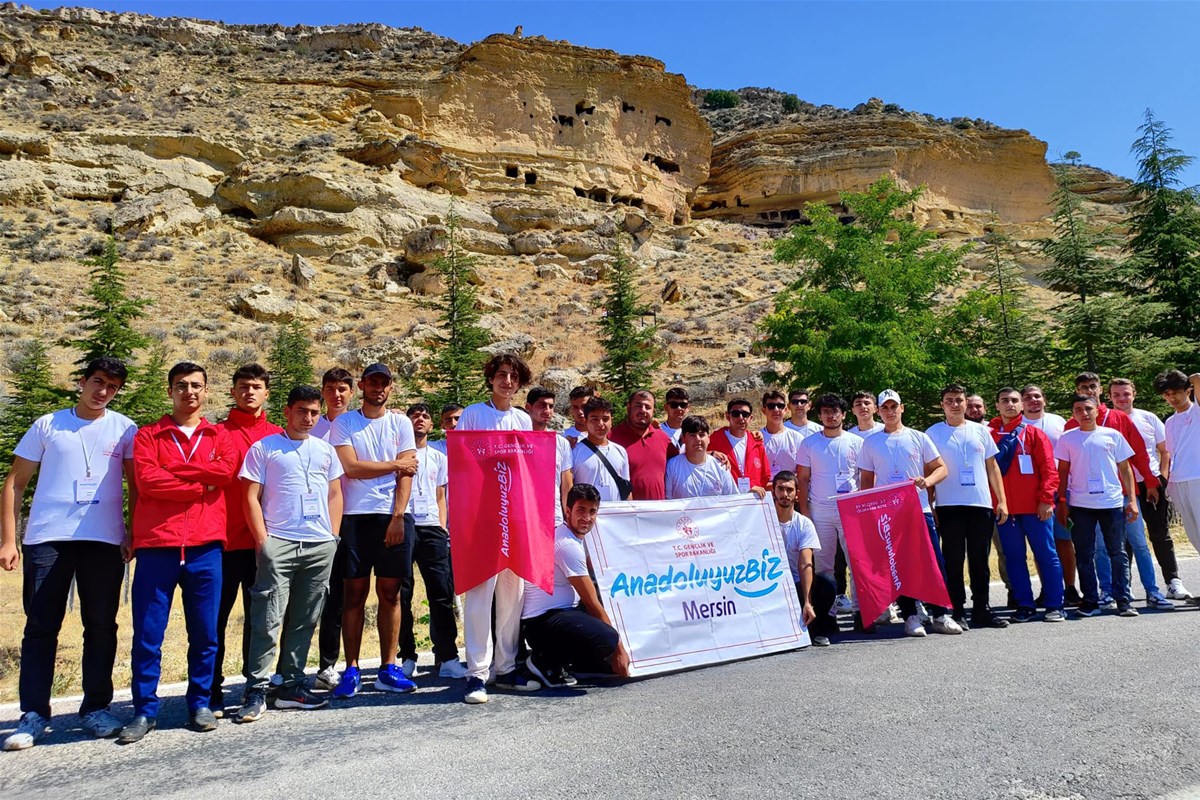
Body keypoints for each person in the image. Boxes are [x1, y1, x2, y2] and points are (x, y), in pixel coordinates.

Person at [0, 357, 137, 751]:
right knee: (41, 627)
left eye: (112, 387)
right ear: (82, 381)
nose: (103, 392)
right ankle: (33, 715)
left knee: (101, 626)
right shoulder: (48, 425)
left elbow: (136, 486)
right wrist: (8, 540)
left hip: (104, 541)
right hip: (48, 539)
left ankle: (96, 708)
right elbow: (15, 483)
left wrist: (133, 532)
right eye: (98, 382)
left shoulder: (125, 428)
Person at [119, 362, 238, 744]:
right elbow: (148, 481)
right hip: (158, 546)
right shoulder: (148, 435)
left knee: (205, 633)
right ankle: (144, 710)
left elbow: (225, 473)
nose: (189, 392)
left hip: (205, 547)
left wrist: (176, 470)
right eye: (181, 385)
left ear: (206, 391)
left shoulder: (220, 435)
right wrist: (199, 485)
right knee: (148, 635)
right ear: (170, 390)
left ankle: (200, 702)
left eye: (196, 386)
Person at [233, 386, 345, 722]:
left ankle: (291, 686)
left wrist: (332, 537)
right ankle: (256, 689)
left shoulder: (326, 450)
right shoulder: (265, 448)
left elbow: (335, 494)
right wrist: (263, 542)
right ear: (287, 411)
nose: (308, 418)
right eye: (302, 411)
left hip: (319, 545)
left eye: (314, 412)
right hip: (279, 543)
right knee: (267, 618)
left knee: (305, 618)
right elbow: (250, 497)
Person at [328, 363, 418, 698]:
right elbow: (351, 468)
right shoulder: (345, 423)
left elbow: (408, 473)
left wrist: (398, 516)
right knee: (353, 594)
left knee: (391, 594)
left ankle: (388, 667)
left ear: (390, 387)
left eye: (384, 383)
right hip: (355, 517)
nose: (378, 388)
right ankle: (351, 669)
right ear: (362, 385)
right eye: (373, 382)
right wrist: (395, 464)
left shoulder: (400, 423)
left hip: (392, 516)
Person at [458, 353, 542, 703]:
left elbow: (529, 466)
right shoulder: (473, 414)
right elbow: (462, 459)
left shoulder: (522, 419)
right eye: (502, 375)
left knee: (513, 593)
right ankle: (477, 673)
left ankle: (505, 667)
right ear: (491, 378)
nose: (507, 381)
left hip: (514, 515)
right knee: (480, 595)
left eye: (514, 377)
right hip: (483, 516)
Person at [858, 390, 962, 637]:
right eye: (885, 407)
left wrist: (927, 481)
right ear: (878, 411)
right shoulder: (871, 442)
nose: (890, 411)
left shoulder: (918, 437)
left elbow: (941, 468)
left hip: (919, 509)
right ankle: (911, 616)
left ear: (902, 408)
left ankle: (941, 614)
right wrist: (869, 513)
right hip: (889, 514)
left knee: (933, 562)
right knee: (900, 565)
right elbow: (866, 480)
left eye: (894, 406)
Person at [211, 364, 282, 717]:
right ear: (233, 391)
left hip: (264, 544)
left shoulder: (278, 435)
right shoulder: (214, 433)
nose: (249, 392)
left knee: (261, 622)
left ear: (266, 392)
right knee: (213, 621)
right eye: (243, 386)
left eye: (256, 386)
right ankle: (210, 690)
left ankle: (255, 688)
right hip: (221, 543)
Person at [521, 484, 630, 687]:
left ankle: (582, 664)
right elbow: (592, 604)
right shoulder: (567, 545)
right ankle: (544, 661)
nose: (587, 518)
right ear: (568, 511)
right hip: (542, 624)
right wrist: (619, 648)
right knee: (607, 637)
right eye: (581, 510)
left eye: (592, 511)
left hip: (561, 614)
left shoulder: (572, 536)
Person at [1066, 372, 1156, 610]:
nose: (1088, 391)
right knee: (1098, 549)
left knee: (1135, 543)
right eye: (1083, 387)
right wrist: (1064, 501)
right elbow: (1065, 469)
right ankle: (1104, 592)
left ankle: (1149, 591)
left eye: (1092, 386)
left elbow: (1136, 455)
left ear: (1099, 390)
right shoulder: (1070, 427)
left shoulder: (1118, 418)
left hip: (1120, 495)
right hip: (1087, 500)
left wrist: (1148, 483)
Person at [926, 384, 1009, 630]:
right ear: (942, 405)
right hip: (948, 505)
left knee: (980, 559)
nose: (955, 405)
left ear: (965, 403)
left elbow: (992, 467)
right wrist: (930, 504)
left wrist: (1001, 500)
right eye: (949, 400)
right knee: (953, 559)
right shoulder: (932, 433)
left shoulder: (981, 431)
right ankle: (958, 610)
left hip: (980, 504)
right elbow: (928, 470)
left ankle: (982, 609)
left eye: (959, 400)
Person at [395, 403, 466, 680]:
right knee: (402, 593)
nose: (420, 419)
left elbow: (440, 496)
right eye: (415, 416)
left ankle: (448, 657)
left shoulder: (438, 456)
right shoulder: (397, 454)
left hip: (432, 529)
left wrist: (442, 528)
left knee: (441, 593)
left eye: (425, 416)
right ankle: (407, 656)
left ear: (431, 424)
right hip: (404, 525)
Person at [1055, 394, 1140, 618]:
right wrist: (1062, 501)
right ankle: (1090, 600)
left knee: (1117, 552)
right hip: (1080, 504)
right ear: (1073, 413)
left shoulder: (1112, 435)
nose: (1084, 413)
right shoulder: (1067, 438)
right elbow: (1062, 472)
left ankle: (1123, 600)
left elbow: (1126, 470)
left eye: (1088, 409)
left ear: (1097, 411)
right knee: (1084, 554)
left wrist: (1131, 500)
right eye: (1078, 409)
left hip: (1111, 503)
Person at [988, 388, 1065, 623]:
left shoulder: (1034, 434)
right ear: (997, 406)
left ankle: (1055, 604)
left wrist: (1046, 500)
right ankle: (1024, 605)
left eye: (1014, 400)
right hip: (1005, 510)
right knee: (1013, 557)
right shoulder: (988, 435)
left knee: (1046, 555)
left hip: (1036, 508)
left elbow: (1049, 470)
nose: (1010, 404)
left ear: (1021, 405)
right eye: (1004, 401)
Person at [795, 394, 871, 630]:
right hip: (821, 509)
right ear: (819, 415)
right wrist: (805, 511)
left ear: (844, 414)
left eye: (835, 411)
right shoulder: (809, 443)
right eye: (826, 412)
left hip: (851, 509)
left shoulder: (857, 442)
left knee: (857, 562)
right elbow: (803, 478)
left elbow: (865, 477)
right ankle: (828, 616)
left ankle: (861, 612)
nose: (830, 415)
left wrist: (863, 507)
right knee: (823, 565)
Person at [1109, 377, 1185, 603]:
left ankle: (1173, 581)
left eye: (1126, 394)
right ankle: (1126, 585)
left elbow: (1165, 450)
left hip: (1150, 482)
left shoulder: (1148, 418)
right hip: (1122, 486)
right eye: (1116, 395)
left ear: (1134, 394)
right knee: (1126, 538)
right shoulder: (1106, 420)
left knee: (1159, 533)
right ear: (1109, 397)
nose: (1122, 399)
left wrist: (1162, 477)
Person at [310, 367, 355, 691]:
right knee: (310, 597)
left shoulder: (358, 424)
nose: (336, 395)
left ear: (352, 392)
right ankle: (288, 669)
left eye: (342, 389)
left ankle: (331, 664)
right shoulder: (312, 426)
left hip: (353, 518)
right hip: (314, 522)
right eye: (330, 389)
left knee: (341, 596)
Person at [1021, 384, 1078, 605]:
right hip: (1032, 492)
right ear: (1022, 402)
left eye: (1037, 396)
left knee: (1064, 539)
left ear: (1044, 399)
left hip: (1061, 489)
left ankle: (1070, 587)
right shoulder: (1017, 425)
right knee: (1042, 544)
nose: (1033, 400)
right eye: (1028, 397)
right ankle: (1048, 588)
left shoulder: (1058, 422)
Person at [772, 470, 835, 647]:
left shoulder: (804, 524)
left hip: (796, 585)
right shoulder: (761, 519)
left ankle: (815, 629)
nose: (785, 494)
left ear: (797, 494)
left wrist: (808, 602)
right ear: (773, 492)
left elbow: (806, 563)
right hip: (771, 586)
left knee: (827, 583)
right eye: (780, 489)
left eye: (789, 490)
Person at [1156, 370, 1200, 596]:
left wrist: (1193, 379)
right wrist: (1168, 481)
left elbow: (1198, 380)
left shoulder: (1197, 411)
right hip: (1178, 480)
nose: (1172, 397)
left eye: (1176, 392)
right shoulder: (1170, 421)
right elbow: (1171, 454)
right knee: (1194, 535)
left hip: (1197, 478)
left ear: (1188, 391)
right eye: (1167, 394)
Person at [610, 390, 678, 501]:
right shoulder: (611, 438)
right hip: (625, 509)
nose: (643, 410)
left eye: (648, 407)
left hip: (658, 508)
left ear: (653, 411)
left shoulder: (663, 438)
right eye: (638, 405)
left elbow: (681, 463)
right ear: (628, 408)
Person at [665, 416, 752, 499]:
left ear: (708, 438)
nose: (698, 439)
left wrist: (750, 496)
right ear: (683, 438)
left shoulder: (720, 466)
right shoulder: (672, 466)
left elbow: (732, 499)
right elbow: (667, 502)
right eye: (692, 435)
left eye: (702, 435)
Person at [525, 388, 574, 524]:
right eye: (542, 405)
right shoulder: (517, 440)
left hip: (553, 517)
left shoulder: (561, 443)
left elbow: (567, 485)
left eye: (551, 406)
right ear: (528, 407)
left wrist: (568, 516)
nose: (547, 411)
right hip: (523, 515)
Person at [571, 396, 632, 503]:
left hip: (615, 511)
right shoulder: (574, 451)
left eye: (605, 419)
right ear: (586, 421)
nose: (600, 424)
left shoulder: (620, 451)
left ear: (611, 421)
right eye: (594, 419)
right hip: (587, 512)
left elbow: (626, 489)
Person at [707, 399, 771, 492]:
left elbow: (765, 475)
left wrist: (752, 489)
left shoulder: (756, 442)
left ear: (751, 418)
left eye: (745, 414)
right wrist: (711, 453)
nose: (741, 418)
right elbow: (695, 458)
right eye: (736, 414)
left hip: (752, 497)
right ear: (728, 416)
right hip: (727, 497)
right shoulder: (715, 440)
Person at [761, 390, 805, 480]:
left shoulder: (797, 438)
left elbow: (802, 472)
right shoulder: (756, 438)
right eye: (771, 406)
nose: (776, 410)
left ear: (785, 409)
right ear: (764, 410)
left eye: (780, 406)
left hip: (790, 487)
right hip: (764, 488)